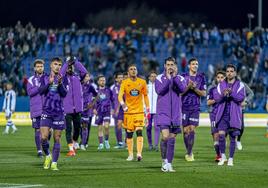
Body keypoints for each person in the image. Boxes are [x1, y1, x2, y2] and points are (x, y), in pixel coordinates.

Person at [155, 57, 187, 172]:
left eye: (172, 64)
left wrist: (174, 78)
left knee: (172, 139)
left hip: (176, 114)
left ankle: (169, 163)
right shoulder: (159, 78)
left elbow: (182, 89)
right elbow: (160, 91)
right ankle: (164, 160)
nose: (169, 66)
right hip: (163, 112)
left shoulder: (180, 78)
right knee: (165, 137)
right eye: (168, 64)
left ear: (175, 66)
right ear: (164, 66)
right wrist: (168, 79)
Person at [39, 57, 68, 170]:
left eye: (60, 65)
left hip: (58, 112)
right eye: (55, 64)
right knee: (44, 137)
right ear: (51, 65)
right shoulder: (44, 77)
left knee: (57, 137)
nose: (58, 66)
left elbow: (64, 94)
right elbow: (40, 91)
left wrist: (60, 84)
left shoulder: (63, 78)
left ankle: (54, 162)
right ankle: (48, 156)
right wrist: (48, 84)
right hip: (46, 111)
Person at [214, 64, 245, 166]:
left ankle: (231, 159)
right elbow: (217, 98)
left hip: (234, 114)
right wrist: (224, 94)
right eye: (227, 71)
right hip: (223, 114)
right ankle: (223, 157)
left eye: (231, 71)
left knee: (232, 137)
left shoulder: (240, 85)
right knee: (221, 136)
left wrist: (231, 93)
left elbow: (240, 98)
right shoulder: (221, 84)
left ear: (235, 73)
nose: (229, 73)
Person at [118, 64, 150, 161]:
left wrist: (147, 109)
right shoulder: (124, 82)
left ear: (137, 71)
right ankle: (131, 154)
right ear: (128, 72)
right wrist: (123, 105)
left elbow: (145, 96)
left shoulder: (142, 82)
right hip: (128, 113)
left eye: (135, 69)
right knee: (129, 134)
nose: (133, 70)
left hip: (139, 112)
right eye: (131, 69)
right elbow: (120, 96)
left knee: (139, 131)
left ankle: (139, 154)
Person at [181, 58, 206, 162]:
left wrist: (195, 88)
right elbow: (180, 93)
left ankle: (189, 153)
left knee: (192, 129)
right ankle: (189, 151)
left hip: (195, 107)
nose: (195, 65)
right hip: (184, 107)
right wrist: (188, 86)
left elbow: (204, 93)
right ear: (189, 66)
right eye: (193, 64)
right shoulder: (183, 77)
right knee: (185, 131)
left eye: (196, 64)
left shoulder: (201, 77)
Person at [63, 56, 87, 157]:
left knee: (77, 129)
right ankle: (71, 149)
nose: (70, 68)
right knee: (68, 129)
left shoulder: (77, 77)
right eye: (68, 67)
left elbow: (84, 72)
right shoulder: (62, 78)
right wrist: (66, 62)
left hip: (77, 108)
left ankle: (74, 142)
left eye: (71, 67)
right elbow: (60, 72)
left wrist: (76, 62)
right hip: (67, 109)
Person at [27, 59, 46, 157]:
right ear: (35, 68)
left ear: (44, 67)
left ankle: (45, 147)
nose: (40, 68)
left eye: (41, 66)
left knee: (48, 130)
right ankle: (39, 151)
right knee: (38, 130)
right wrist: (39, 87)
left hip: (48, 108)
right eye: (38, 66)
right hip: (36, 108)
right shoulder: (31, 80)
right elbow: (30, 92)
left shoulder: (48, 78)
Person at [207, 71, 226, 162]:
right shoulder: (212, 88)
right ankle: (219, 155)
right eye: (218, 77)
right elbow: (208, 102)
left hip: (225, 114)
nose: (220, 79)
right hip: (214, 114)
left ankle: (223, 154)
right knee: (216, 134)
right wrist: (218, 98)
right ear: (216, 78)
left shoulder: (228, 88)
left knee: (223, 135)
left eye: (222, 77)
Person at [94, 75, 114, 150]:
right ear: (98, 82)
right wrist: (93, 109)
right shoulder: (95, 90)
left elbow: (112, 100)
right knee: (99, 128)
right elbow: (92, 101)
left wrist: (113, 108)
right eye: (101, 80)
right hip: (99, 111)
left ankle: (106, 140)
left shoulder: (108, 90)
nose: (103, 81)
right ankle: (101, 144)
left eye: (104, 80)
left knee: (106, 126)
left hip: (107, 110)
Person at [80, 73, 97, 150]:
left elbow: (97, 95)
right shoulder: (78, 85)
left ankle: (83, 143)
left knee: (84, 126)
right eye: (85, 76)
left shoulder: (90, 86)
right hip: (77, 109)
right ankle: (75, 142)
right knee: (77, 127)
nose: (86, 78)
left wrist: (92, 104)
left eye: (88, 76)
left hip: (86, 109)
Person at [236, 81, 254, 150]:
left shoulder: (242, 84)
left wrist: (246, 101)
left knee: (241, 127)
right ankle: (223, 143)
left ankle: (238, 140)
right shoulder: (225, 83)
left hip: (240, 108)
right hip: (229, 108)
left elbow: (251, 93)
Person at [146, 71, 160, 151]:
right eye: (152, 76)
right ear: (149, 78)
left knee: (157, 127)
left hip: (157, 110)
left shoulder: (159, 87)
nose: (153, 78)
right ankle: (150, 144)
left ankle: (156, 145)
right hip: (147, 111)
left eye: (155, 76)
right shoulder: (146, 87)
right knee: (148, 128)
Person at [110, 72, 125, 149]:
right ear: (116, 79)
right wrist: (112, 108)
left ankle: (126, 142)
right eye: (119, 77)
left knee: (126, 126)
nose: (121, 79)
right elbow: (112, 99)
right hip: (116, 109)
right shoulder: (113, 88)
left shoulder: (126, 86)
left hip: (125, 109)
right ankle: (119, 142)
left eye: (122, 77)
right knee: (118, 126)